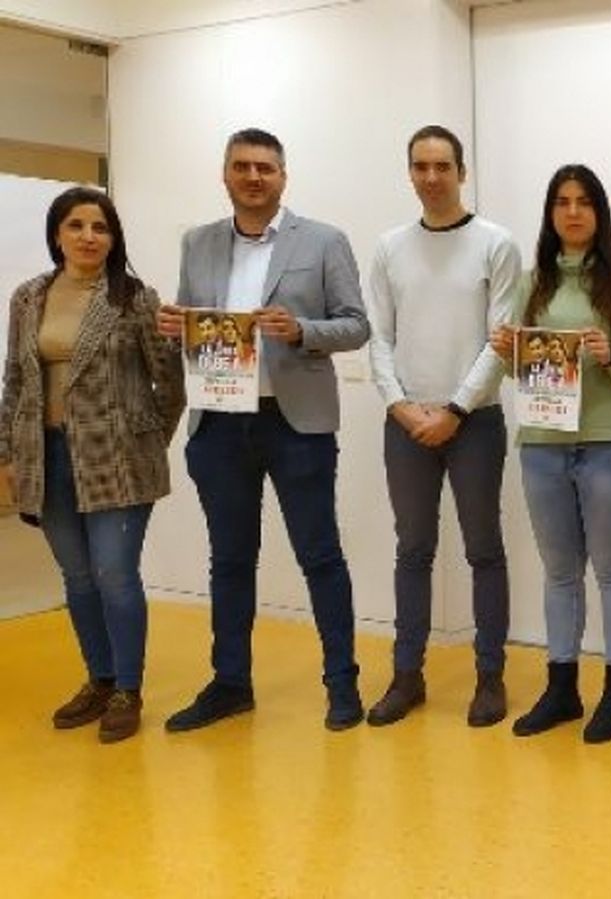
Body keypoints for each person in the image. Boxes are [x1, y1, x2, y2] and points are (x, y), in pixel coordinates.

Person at [157, 127, 371, 732]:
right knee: (229, 560)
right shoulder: (197, 243)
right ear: (225, 174)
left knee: (320, 555)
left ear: (283, 177)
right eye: (242, 167)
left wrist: (300, 329)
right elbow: (191, 318)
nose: (254, 177)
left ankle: (341, 683)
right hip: (220, 424)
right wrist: (178, 327)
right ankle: (230, 683)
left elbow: (356, 326)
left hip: (295, 423)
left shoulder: (325, 240)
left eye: (266, 168)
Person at [0, 187, 185, 743]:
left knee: (114, 574)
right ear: (57, 234)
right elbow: (14, 378)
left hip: (119, 458)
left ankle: (128, 687)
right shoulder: (28, 298)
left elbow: (169, 383)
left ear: (113, 237)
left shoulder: (134, 299)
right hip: (46, 454)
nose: (87, 236)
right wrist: (8, 451)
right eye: (76, 225)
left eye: (99, 227)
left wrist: (147, 438)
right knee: (77, 578)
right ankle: (99, 679)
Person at [490, 164, 611, 743]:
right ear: (550, 212)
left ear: (599, 212)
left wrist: (610, 353)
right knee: (560, 573)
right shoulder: (532, 281)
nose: (572, 211)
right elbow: (521, 368)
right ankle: (561, 687)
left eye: (584, 201)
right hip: (542, 445)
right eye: (562, 201)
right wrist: (506, 350)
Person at [363, 124, 521, 728]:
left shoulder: (496, 244)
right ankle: (408, 676)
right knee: (413, 550)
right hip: (405, 423)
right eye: (421, 167)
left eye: (443, 166)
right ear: (410, 172)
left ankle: (489, 677)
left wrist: (455, 409)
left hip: (473, 422)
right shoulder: (389, 247)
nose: (432, 178)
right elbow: (379, 335)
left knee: (484, 549)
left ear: (462, 171)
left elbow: (500, 339)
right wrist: (401, 405)